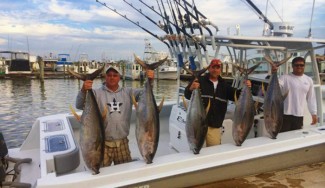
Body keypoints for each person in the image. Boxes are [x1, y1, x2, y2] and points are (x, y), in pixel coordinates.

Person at [76, 66, 154, 166]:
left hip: (122, 143)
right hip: (102, 143)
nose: (112, 77)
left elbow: (145, 94)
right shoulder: (96, 93)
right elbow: (79, 105)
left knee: (125, 173)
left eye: (115, 75)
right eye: (109, 75)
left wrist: (150, 81)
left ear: (119, 77)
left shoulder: (128, 92)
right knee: (102, 172)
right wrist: (83, 90)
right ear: (105, 77)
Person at [184, 59, 251, 146]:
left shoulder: (225, 86)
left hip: (214, 126)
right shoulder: (200, 81)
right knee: (197, 150)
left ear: (220, 70)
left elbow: (238, 96)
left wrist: (247, 86)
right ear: (209, 69)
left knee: (214, 152)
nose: (215, 70)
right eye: (213, 67)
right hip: (198, 124)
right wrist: (190, 88)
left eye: (217, 68)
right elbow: (187, 95)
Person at [271, 56, 317, 132]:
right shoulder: (284, 78)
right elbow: (274, 87)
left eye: (301, 65)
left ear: (304, 66)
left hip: (299, 115)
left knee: (295, 137)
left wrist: (313, 113)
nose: (299, 67)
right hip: (284, 114)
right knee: (282, 136)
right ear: (292, 66)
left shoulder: (309, 80)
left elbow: (311, 98)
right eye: (296, 65)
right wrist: (273, 73)